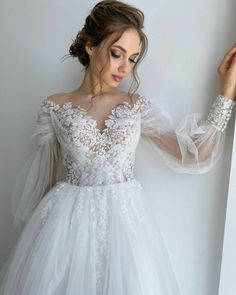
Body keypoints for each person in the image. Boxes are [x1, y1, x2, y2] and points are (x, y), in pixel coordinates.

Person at [0, 0, 236, 294]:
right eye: (116, 54)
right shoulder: (55, 106)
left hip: (126, 229)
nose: (125, 68)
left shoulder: (134, 106)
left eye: (133, 59)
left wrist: (226, 94)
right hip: (67, 228)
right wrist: (39, 244)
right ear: (90, 46)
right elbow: (45, 182)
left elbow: (193, 154)